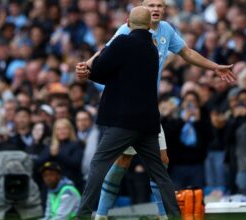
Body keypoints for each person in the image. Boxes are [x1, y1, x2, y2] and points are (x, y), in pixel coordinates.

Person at [75, 0, 235, 218]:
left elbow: (186, 52)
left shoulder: (166, 31)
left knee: (161, 162)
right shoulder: (127, 32)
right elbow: (105, 51)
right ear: (144, 11)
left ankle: (162, 215)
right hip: (135, 110)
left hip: (143, 110)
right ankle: (102, 214)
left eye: (160, 5)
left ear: (164, 10)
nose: (156, 9)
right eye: (151, 5)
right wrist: (87, 64)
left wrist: (214, 66)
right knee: (126, 161)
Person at [75, 6, 181, 219]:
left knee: (98, 164)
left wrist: (87, 72)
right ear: (149, 24)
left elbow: (102, 68)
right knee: (160, 173)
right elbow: (120, 74)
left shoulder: (123, 41)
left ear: (127, 22)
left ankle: (84, 214)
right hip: (148, 123)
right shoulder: (153, 48)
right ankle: (174, 216)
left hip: (123, 122)